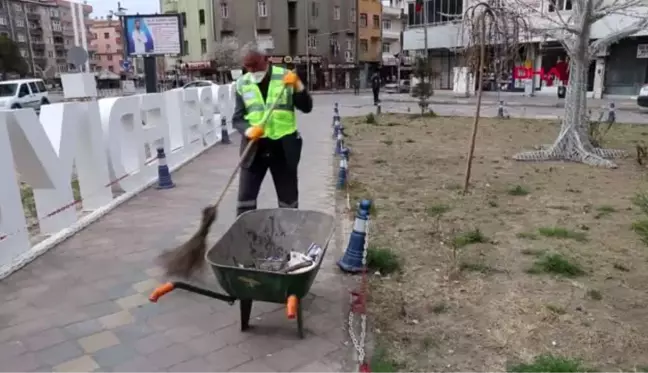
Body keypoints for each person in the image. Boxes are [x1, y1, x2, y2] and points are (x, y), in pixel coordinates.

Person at [232, 46, 313, 217]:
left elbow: (307, 107)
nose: (252, 70)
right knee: (245, 200)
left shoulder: (285, 77)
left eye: (255, 65)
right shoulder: (242, 83)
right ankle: (244, 236)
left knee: (288, 201)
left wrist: (298, 86)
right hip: (254, 148)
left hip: (283, 148)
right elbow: (237, 119)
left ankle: (288, 235)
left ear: (266, 60)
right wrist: (248, 130)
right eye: (248, 66)